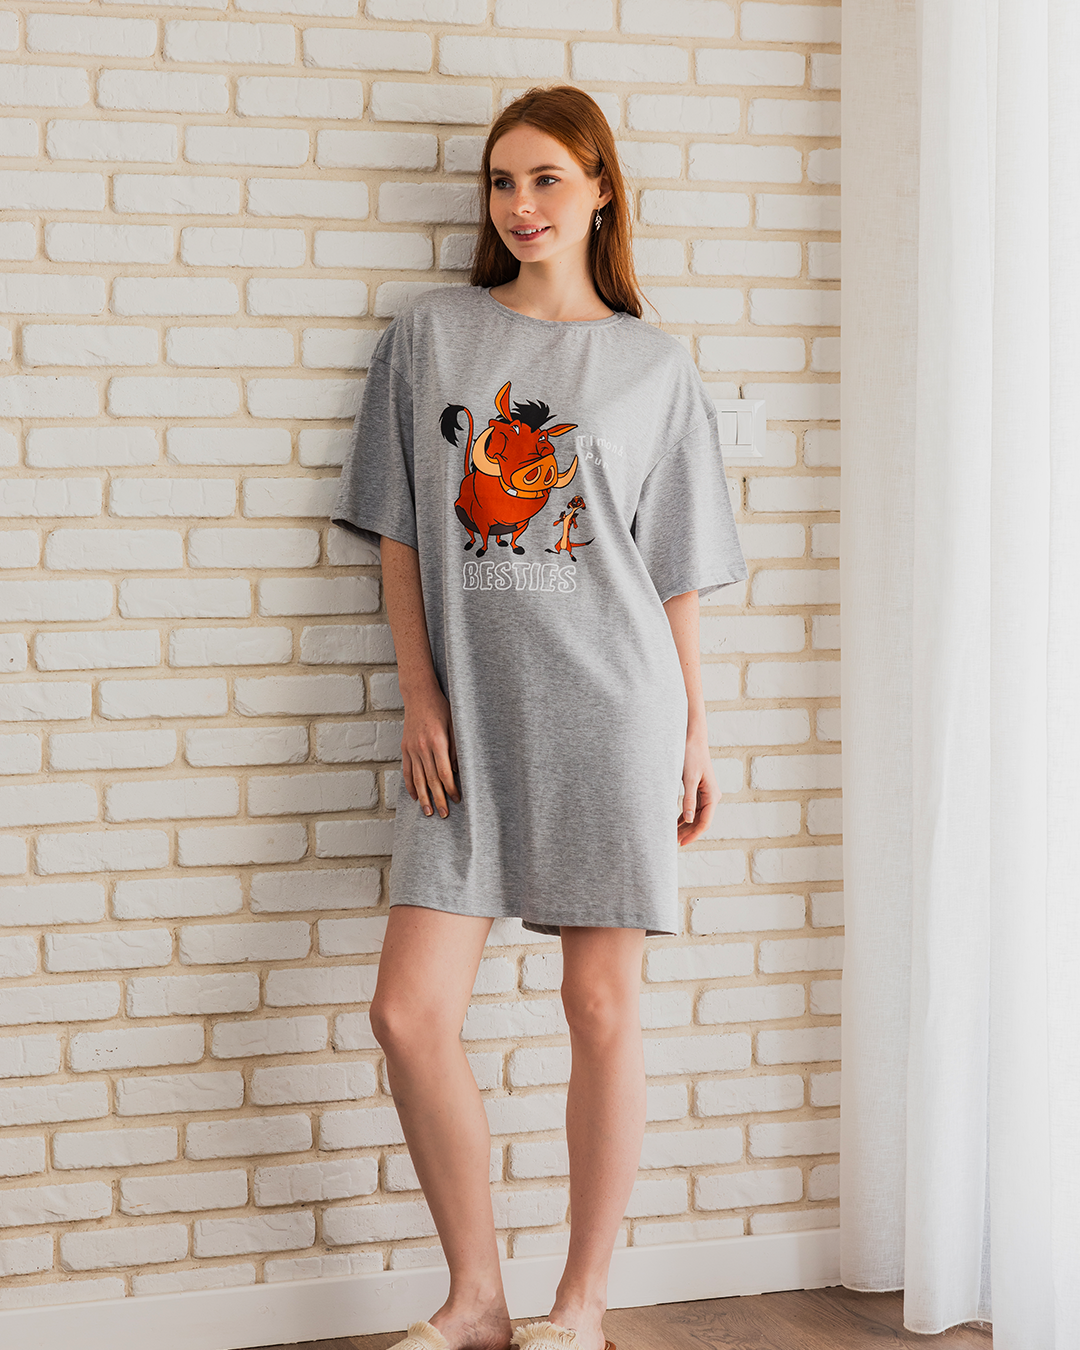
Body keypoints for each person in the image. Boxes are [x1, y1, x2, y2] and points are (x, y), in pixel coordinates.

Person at [330, 84, 747, 1350]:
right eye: (503, 182)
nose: (521, 205)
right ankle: (476, 1300)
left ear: (601, 190)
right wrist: (418, 694)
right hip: (468, 722)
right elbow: (401, 531)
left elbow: (673, 572)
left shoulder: (654, 365)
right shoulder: (432, 335)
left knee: (601, 1010)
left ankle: (581, 1306)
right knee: (409, 1013)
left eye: (548, 179)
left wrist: (696, 731)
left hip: (615, 710)